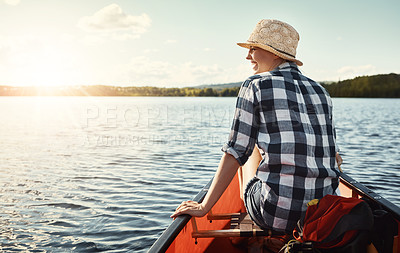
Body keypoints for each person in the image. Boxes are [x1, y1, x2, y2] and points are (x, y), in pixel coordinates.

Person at [171, 19, 342, 238]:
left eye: (253, 48)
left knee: (247, 146)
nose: (248, 55)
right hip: (322, 211)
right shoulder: (322, 92)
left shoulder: (255, 84)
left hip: (277, 213)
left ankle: (247, 221)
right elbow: (333, 153)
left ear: (274, 53)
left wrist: (204, 206)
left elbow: (235, 151)